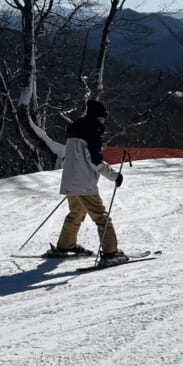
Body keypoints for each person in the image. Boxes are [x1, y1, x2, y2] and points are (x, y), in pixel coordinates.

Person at [49, 98, 127, 262]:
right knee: (101, 216)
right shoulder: (92, 132)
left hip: (70, 180)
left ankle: (66, 245)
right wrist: (115, 176)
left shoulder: (75, 129)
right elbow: (95, 161)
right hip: (83, 183)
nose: (104, 119)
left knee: (76, 212)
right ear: (99, 116)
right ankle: (111, 252)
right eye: (103, 116)